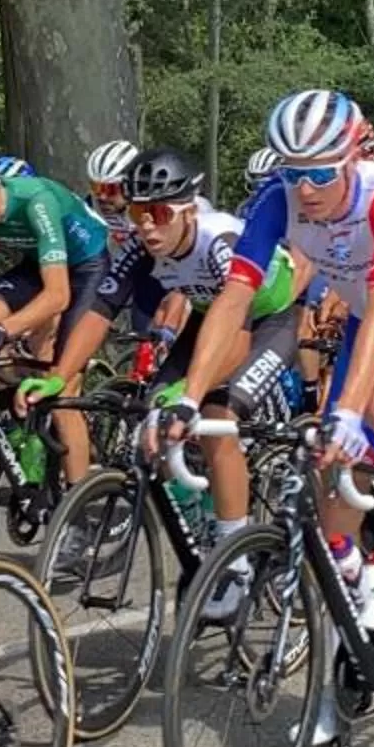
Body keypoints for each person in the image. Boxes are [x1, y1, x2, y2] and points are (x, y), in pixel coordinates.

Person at [171, 88, 374, 628]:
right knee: (331, 480)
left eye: (319, 173)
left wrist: (352, 410)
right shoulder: (277, 200)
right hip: (370, 322)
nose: (305, 189)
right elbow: (234, 298)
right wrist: (188, 400)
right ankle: (363, 576)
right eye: (293, 174)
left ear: (351, 158)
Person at [106, 148, 305, 614]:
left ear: (189, 209)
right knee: (154, 411)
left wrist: (190, 396)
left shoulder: (220, 241)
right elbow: (100, 308)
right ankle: (200, 514)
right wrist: (61, 377)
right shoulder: (144, 243)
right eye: (137, 213)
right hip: (209, 318)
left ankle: (234, 558)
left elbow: (235, 335)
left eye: (156, 213)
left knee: (217, 412)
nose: (146, 225)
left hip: (267, 320)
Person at [0, 143, 114, 487]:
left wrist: (1, 332)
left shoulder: (35, 202)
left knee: (64, 389)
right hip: (38, 262)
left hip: (87, 266)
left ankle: (77, 508)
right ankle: (18, 430)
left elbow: (57, 296)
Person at [81, 138, 143, 224]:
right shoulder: (88, 209)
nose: (102, 197)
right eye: (96, 187)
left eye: (111, 189)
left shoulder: (150, 214)